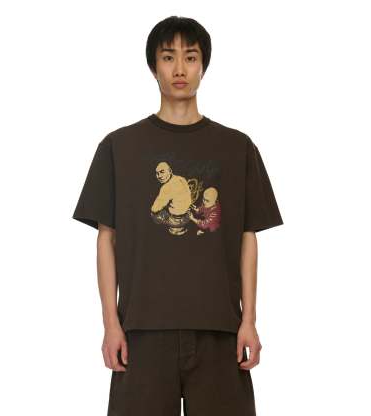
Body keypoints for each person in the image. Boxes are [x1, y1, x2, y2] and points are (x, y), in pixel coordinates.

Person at [72, 15, 283, 416]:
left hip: (220, 330)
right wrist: (111, 324)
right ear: (154, 67)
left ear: (204, 65)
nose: (180, 68)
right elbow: (106, 239)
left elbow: (248, 238)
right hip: (142, 331)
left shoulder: (237, 148)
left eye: (191, 56)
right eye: (168, 57)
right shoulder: (118, 147)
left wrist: (249, 321)